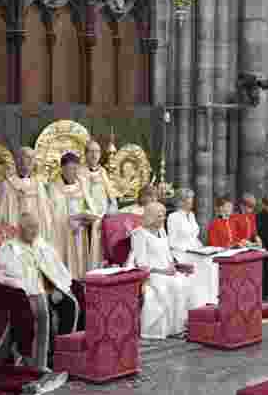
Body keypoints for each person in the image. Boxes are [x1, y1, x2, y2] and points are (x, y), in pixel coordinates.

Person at [0, 211, 78, 370]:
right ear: (20, 229)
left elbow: (55, 268)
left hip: (47, 290)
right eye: (30, 228)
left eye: (36, 227)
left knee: (70, 304)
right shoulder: (9, 248)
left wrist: (56, 288)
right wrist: (35, 290)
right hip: (26, 294)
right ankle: (37, 362)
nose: (34, 231)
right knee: (40, 312)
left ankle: (61, 355)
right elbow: (10, 275)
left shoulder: (42, 245)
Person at [124, 201, 206, 339]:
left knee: (188, 282)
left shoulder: (161, 231)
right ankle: (173, 329)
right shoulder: (139, 234)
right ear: (151, 217)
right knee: (175, 285)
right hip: (151, 275)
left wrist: (174, 266)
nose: (164, 219)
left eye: (163, 216)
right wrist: (162, 271)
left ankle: (182, 325)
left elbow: (167, 254)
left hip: (167, 272)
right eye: (160, 216)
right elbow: (141, 263)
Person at [50, 152, 103, 278]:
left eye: (75, 168)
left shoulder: (82, 183)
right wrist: (70, 219)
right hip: (64, 230)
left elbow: (90, 203)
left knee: (81, 260)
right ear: (62, 169)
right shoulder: (54, 187)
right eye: (69, 169)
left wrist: (88, 216)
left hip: (82, 229)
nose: (73, 172)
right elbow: (54, 212)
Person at [166, 188, 218, 303]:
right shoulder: (173, 217)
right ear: (181, 201)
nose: (192, 202)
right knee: (205, 264)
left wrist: (202, 249)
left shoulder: (192, 215)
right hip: (181, 253)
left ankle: (211, 298)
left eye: (192, 199)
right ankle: (200, 300)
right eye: (190, 200)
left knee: (212, 262)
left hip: (196, 249)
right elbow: (171, 242)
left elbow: (194, 236)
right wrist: (188, 250)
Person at [0, 147, 55, 246]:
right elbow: (1, 215)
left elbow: (45, 214)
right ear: (17, 161)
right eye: (26, 158)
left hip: (36, 234)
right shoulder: (7, 185)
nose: (28, 162)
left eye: (32, 159)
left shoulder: (38, 185)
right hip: (15, 234)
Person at [81, 140, 118, 214]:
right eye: (91, 151)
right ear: (85, 154)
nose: (94, 155)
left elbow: (110, 192)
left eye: (97, 151)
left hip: (105, 210)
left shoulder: (102, 170)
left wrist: (113, 206)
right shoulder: (80, 171)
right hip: (89, 211)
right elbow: (85, 196)